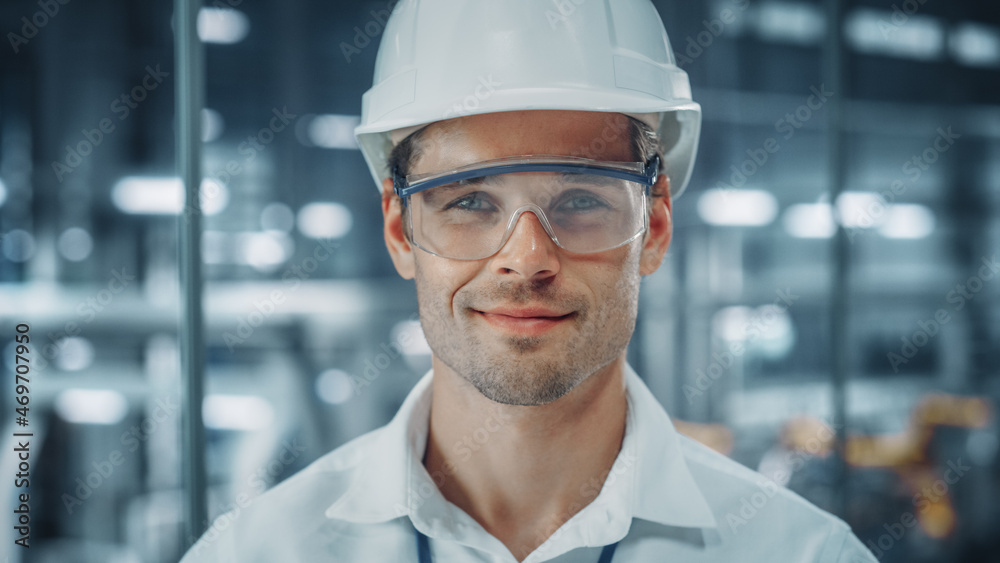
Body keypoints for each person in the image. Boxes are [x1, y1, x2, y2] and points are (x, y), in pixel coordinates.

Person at [181, 1, 878, 561]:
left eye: (580, 200)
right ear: (400, 230)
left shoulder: (800, 550)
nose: (526, 259)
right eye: (470, 201)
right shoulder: (258, 550)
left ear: (656, 227)